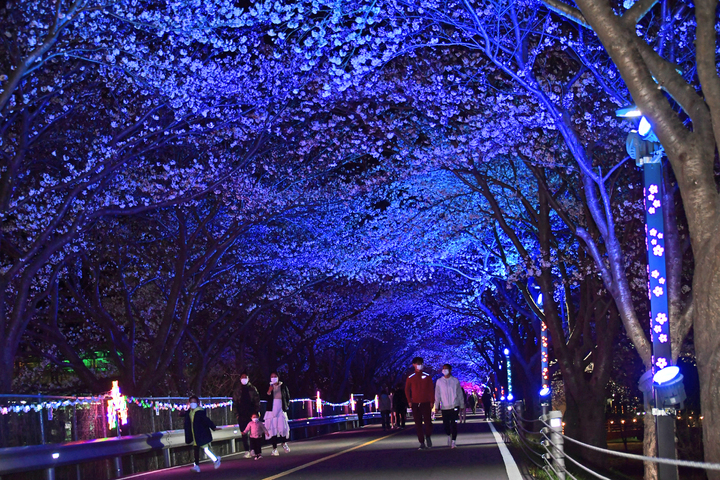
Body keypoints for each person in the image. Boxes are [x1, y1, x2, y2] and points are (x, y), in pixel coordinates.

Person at [181, 396, 221, 472]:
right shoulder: (190, 412)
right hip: (195, 435)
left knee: (206, 449)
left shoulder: (199, 412)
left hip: (201, 434)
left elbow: (206, 420)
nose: (192, 403)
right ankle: (197, 466)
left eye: (194, 402)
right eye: (191, 402)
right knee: (196, 449)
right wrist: (181, 413)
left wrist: (213, 427)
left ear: (198, 403)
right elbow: (185, 414)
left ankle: (216, 460)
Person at [405, 356, 434, 449]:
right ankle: (421, 442)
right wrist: (409, 401)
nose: (419, 366)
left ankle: (428, 436)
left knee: (428, 422)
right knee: (418, 423)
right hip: (415, 403)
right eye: (417, 364)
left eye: (421, 364)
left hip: (426, 402)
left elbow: (431, 389)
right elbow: (406, 390)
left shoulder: (427, 376)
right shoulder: (410, 377)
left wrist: (432, 401)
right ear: (413, 365)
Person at [434, 364, 465, 448]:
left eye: (446, 369)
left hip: (454, 405)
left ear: (450, 370)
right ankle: (448, 435)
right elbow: (437, 394)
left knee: (453, 424)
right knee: (446, 424)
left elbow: (459, 393)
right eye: (443, 369)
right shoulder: (439, 381)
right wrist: (436, 406)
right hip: (444, 407)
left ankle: (453, 441)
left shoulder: (455, 381)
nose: (444, 370)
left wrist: (462, 404)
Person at [233, 373, 261, 459]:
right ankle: (246, 450)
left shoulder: (252, 389)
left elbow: (257, 401)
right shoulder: (237, 389)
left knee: (253, 432)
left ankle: (253, 449)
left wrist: (256, 412)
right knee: (243, 432)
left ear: (248, 379)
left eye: (245, 377)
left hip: (251, 413)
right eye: (242, 377)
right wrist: (236, 414)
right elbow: (234, 403)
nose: (244, 379)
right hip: (241, 414)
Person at [264, 372, 291, 456]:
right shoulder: (268, 386)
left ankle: (284, 443)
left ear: (278, 377)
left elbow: (287, 397)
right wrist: (269, 391)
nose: (273, 378)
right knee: (273, 429)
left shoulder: (283, 386)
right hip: (271, 410)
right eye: (272, 376)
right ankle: (274, 449)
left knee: (283, 427)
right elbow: (265, 398)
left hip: (281, 409)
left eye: (275, 376)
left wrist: (286, 406)